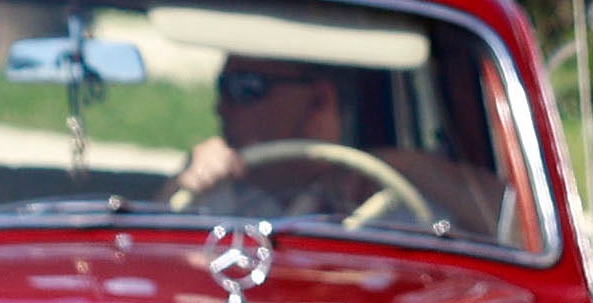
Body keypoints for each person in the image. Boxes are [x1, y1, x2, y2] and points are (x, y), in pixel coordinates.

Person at [166, 52, 507, 236]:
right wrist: (187, 183)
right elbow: (146, 265)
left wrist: (397, 166)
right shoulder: (220, 196)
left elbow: (515, 225)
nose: (222, 105)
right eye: (223, 85)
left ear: (319, 100)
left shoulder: (397, 200)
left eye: (245, 87)